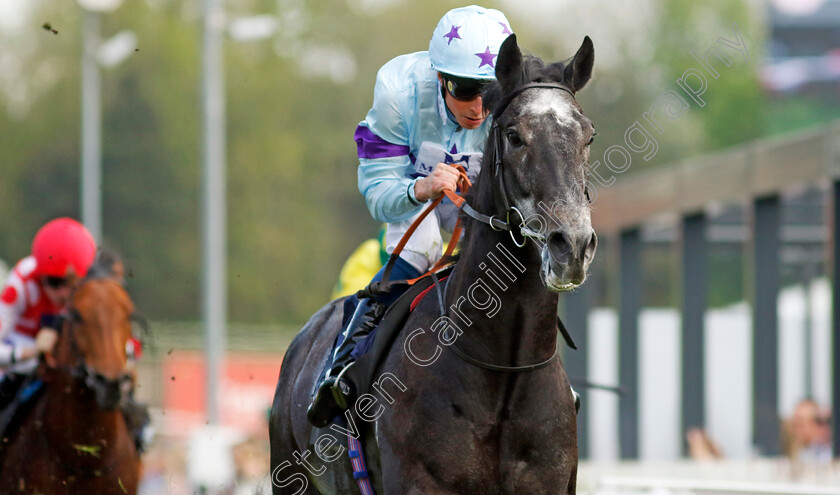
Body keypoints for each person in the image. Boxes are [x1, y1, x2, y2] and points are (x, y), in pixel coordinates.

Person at [307, 5, 513, 427]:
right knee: (421, 249)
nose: (477, 107)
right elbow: (379, 196)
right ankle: (344, 364)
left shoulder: (515, 96)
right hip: (416, 206)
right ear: (440, 78)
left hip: (481, 214)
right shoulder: (399, 93)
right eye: (464, 89)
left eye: (488, 92)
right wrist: (422, 188)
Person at [0, 217, 97, 407]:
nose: (63, 293)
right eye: (53, 282)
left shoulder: (91, 290)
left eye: (71, 284)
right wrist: (33, 352)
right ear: (40, 275)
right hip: (18, 370)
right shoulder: (19, 285)